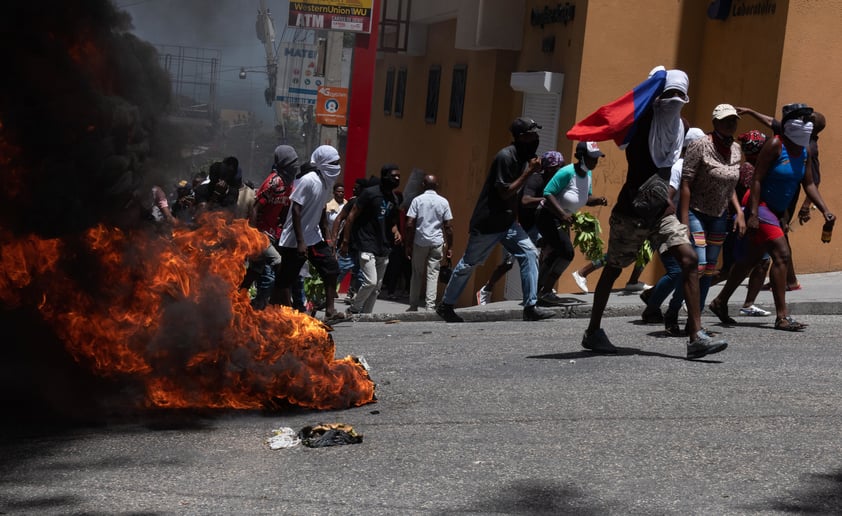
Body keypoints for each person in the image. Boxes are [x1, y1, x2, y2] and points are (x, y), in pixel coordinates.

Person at [572, 67, 728, 359]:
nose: (674, 101)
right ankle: (593, 331)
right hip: (632, 211)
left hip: (662, 213)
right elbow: (626, 138)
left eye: (679, 96)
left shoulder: (681, 126)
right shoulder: (641, 121)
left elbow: (671, 168)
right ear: (657, 97)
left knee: (690, 260)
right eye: (668, 95)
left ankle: (696, 336)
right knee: (613, 269)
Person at [709, 103, 835, 331]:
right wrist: (754, 213)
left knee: (750, 260)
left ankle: (720, 301)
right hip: (760, 206)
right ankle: (782, 317)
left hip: (777, 211)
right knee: (782, 255)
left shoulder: (804, 150)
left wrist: (824, 210)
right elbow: (756, 179)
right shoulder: (776, 145)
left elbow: (808, 183)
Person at [436, 117, 555, 323]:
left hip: (508, 223)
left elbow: (516, 196)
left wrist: (515, 218)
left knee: (529, 254)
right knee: (468, 264)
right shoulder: (505, 157)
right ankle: (446, 305)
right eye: (532, 134)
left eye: (537, 134)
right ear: (521, 137)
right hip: (489, 223)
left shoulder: (524, 157)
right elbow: (505, 192)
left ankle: (530, 307)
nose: (536, 138)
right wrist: (528, 173)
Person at [737, 106, 827, 291]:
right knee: (771, 250)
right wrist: (751, 111)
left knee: (773, 249)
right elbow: (771, 122)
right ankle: (786, 285)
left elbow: (812, 181)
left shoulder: (807, 148)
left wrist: (808, 206)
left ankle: (787, 285)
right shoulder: (783, 140)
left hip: (784, 201)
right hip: (766, 202)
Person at [679, 104, 745, 310]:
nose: (731, 124)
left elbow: (730, 184)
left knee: (709, 268)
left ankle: (695, 315)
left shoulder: (736, 149)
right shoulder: (700, 145)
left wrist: (738, 211)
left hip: (719, 215)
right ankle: (674, 309)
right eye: (726, 120)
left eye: (733, 120)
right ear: (715, 123)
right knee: (698, 264)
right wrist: (684, 220)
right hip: (696, 212)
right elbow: (686, 182)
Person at [475, 150, 563, 305]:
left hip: (537, 225)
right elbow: (525, 200)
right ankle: (486, 289)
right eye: (557, 168)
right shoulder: (535, 180)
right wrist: (545, 200)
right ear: (549, 168)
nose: (560, 171)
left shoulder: (555, 183)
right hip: (521, 225)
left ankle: (540, 286)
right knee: (508, 263)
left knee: (547, 251)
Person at [639, 127, 705, 331]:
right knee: (677, 271)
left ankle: (659, 300)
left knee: (696, 267)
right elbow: (668, 194)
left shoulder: (698, 167)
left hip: (694, 225)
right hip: (671, 224)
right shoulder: (679, 167)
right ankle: (654, 307)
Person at [275, 145, 344, 321]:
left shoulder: (325, 182)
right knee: (286, 279)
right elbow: (296, 210)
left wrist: (327, 238)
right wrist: (300, 242)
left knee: (331, 269)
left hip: (313, 237)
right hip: (294, 239)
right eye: (333, 163)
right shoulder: (308, 180)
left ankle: (330, 311)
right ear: (322, 163)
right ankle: (287, 314)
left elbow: (320, 212)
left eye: (338, 163)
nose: (337, 166)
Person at [535, 142, 608, 306]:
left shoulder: (587, 175)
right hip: (548, 216)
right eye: (592, 158)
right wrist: (562, 214)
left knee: (557, 253)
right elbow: (548, 193)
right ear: (581, 157)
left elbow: (585, 198)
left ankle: (540, 289)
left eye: (597, 158)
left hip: (562, 219)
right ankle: (545, 291)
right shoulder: (567, 172)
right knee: (566, 252)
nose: (595, 162)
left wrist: (597, 200)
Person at [339, 164, 402, 314]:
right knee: (370, 282)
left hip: (384, 247)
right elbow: (351, 216)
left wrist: (396, 232)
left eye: (399, 176)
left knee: (376, 288)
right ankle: (354, 309)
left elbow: (391, 222)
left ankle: (366, 317)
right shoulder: (369, 193)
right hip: (367, 244)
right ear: (385, 176)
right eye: (394, 176)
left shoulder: (394, 198)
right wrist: (345, 241)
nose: (397, 179)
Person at [246, 145, 297, 310]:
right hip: (260, 233)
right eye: (292, 163)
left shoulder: (289, 185)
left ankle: (240, 298)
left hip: (273, 233)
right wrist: (254, 234)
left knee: (256, 270)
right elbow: (255, 207)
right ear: (284, 163)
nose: (295, 166)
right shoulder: (273, 182)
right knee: (275, 263)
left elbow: (284, 209)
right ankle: (259, 305)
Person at [404, 174, 454, 311]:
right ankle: (430, 306)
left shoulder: (417, 200)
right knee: (433, 274)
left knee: (416, 273)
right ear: (437, 186)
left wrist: (408, 244)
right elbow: (448, 227)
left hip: (419, 241)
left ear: (423, 185)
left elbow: (409, 224)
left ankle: (413, 305)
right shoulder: (443, 202)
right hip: (437, 242)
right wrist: (450, 246)